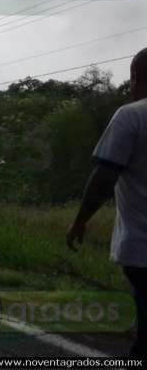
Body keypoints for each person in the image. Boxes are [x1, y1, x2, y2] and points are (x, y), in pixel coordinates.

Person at [67, 47, 147, 357]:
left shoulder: (131, 115)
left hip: (142, 250)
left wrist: (79, 221)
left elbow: (104, 178)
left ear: (136, 77)